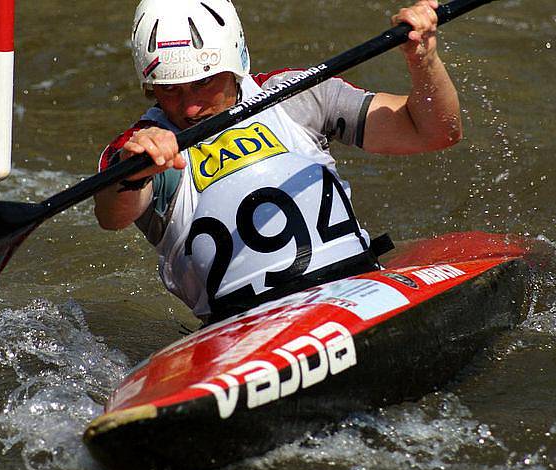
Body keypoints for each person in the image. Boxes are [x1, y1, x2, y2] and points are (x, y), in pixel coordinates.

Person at [93, 0, 461, 323]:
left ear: (234, 63)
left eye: (204, 82)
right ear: (150, 86)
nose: (189, 106)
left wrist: (423, 60)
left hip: (356, 288)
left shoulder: (295, 95)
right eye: (170, 90)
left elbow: (432, 132)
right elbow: (112, 215)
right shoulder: (138, 150)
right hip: (245, 327)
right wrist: (133, 173)